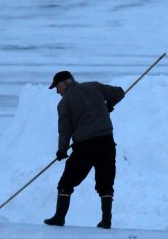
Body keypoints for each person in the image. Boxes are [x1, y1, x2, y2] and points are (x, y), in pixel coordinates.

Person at [44, 70, 125, 229]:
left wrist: (62, 150)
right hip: (106, 143)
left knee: (66, 183)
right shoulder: (94, 87)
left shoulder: (64, 103)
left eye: (57, 87)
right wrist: (108, 105)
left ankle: (59, 218)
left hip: (85, 147)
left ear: (64, 83)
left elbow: (65, 130)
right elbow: (119, 93)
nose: (56, 91)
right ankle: (106, 220)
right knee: (105, 182)